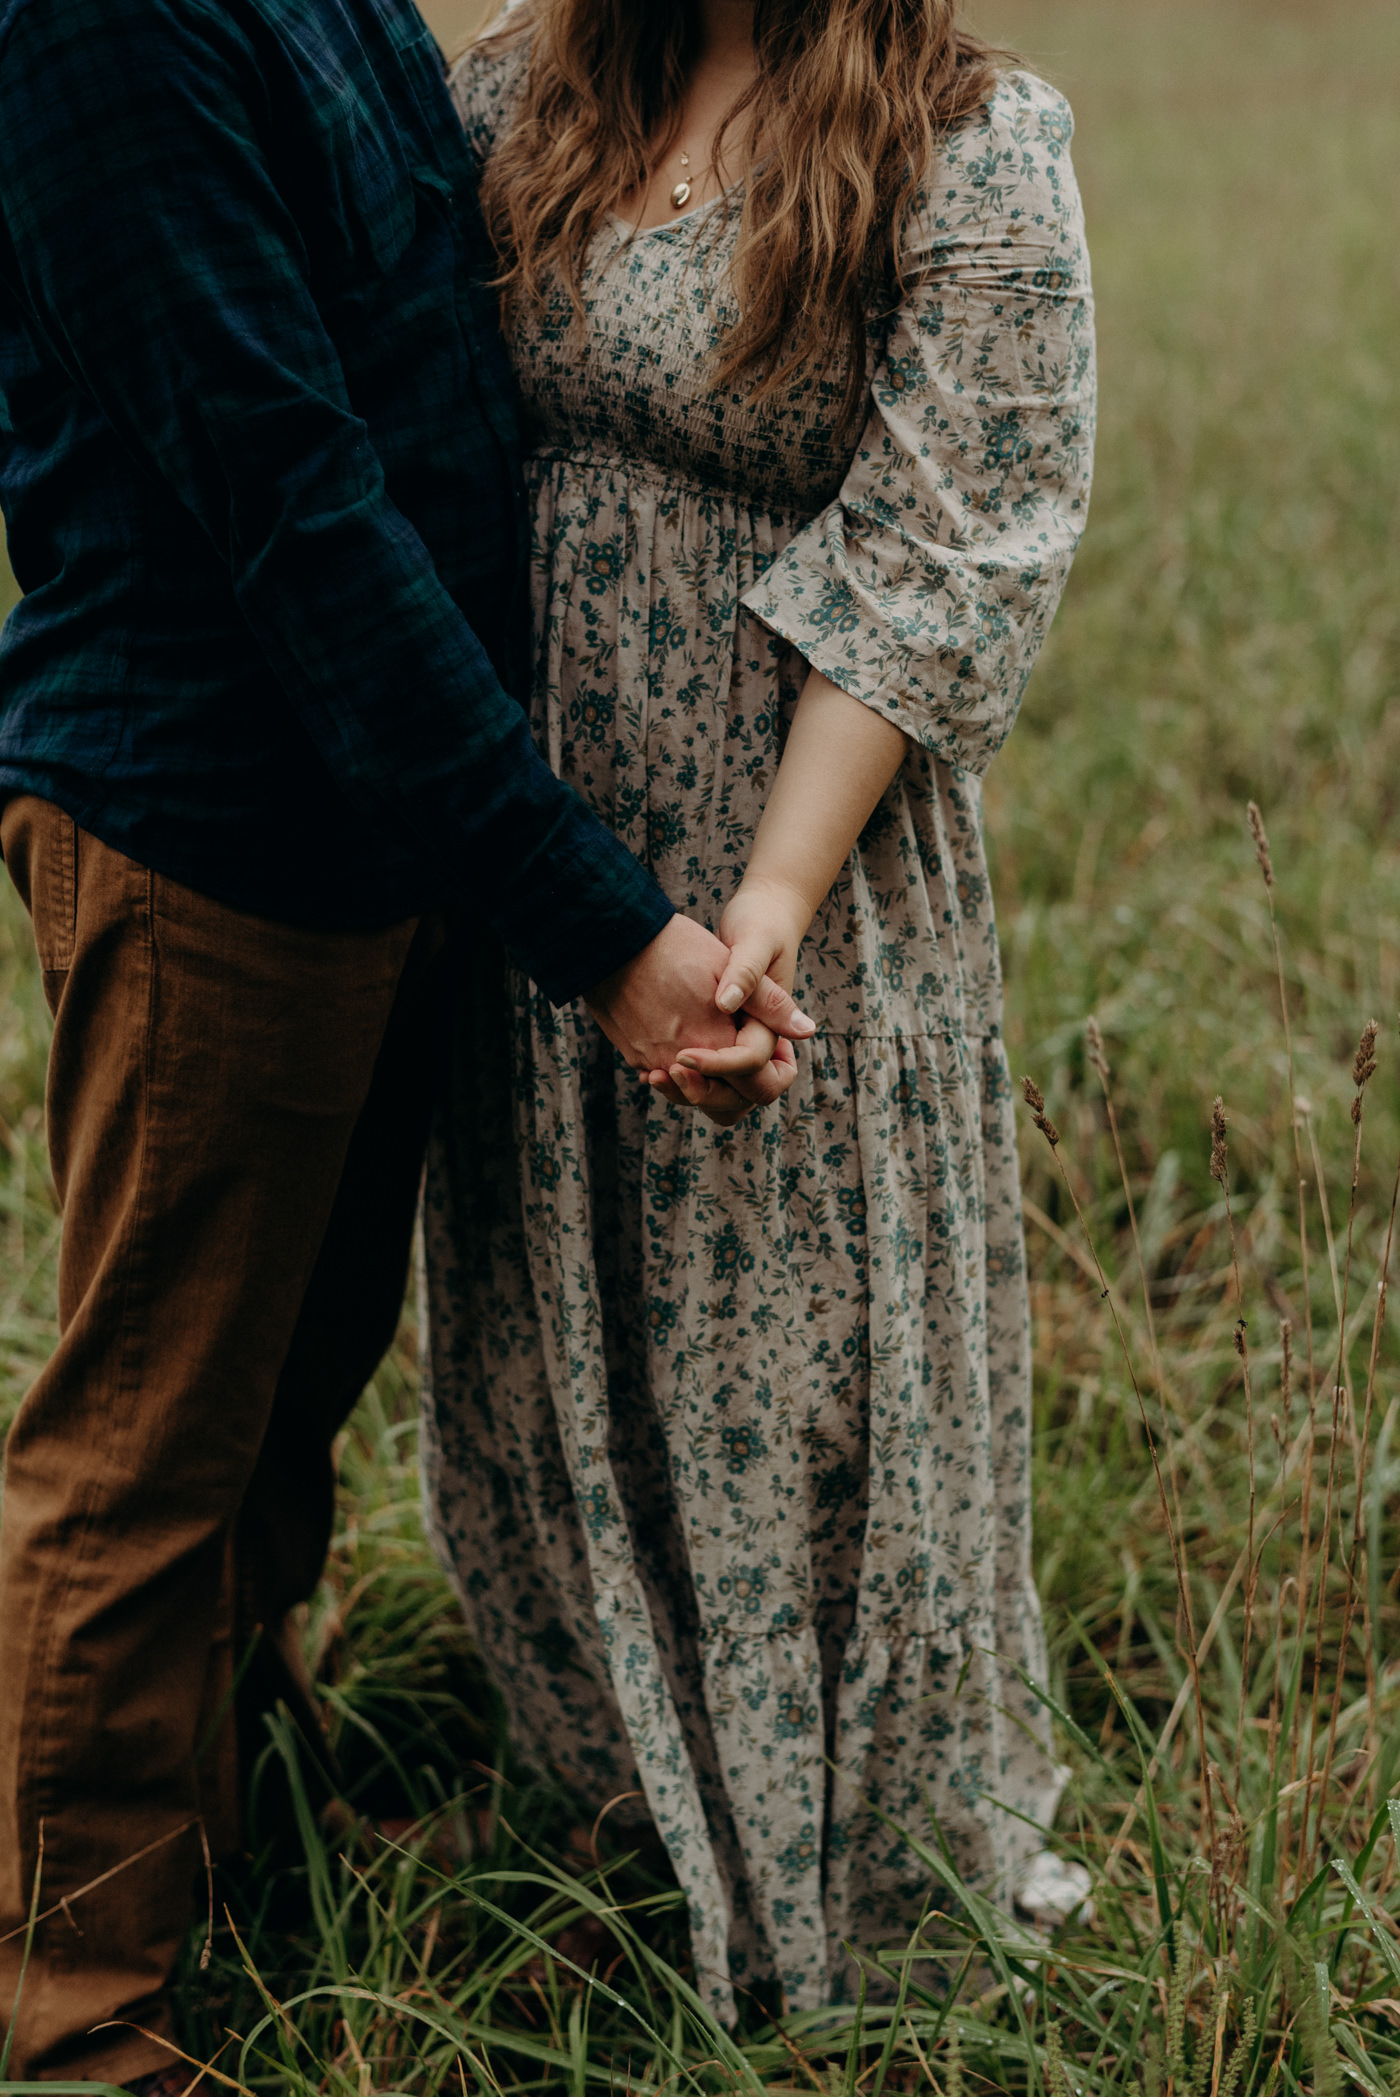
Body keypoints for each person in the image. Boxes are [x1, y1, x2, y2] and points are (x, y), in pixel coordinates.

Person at [0, 0, 815, 2085]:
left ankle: (217, 1826)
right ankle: (72, 2011)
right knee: (151, 1436)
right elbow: (292, 502)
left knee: (281, 1401)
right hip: (212, 826)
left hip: (380, 827)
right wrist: (602, 922)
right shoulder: (101, 33)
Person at [421, 0, 1097, 2014]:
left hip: (803, 841)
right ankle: (618, 1796)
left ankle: (848, 1854)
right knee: (564, 1324)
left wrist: (765, 906)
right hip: (546, 849)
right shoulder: (514, 91)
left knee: (808, 1349)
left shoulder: (966, 139)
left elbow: (942, 549)